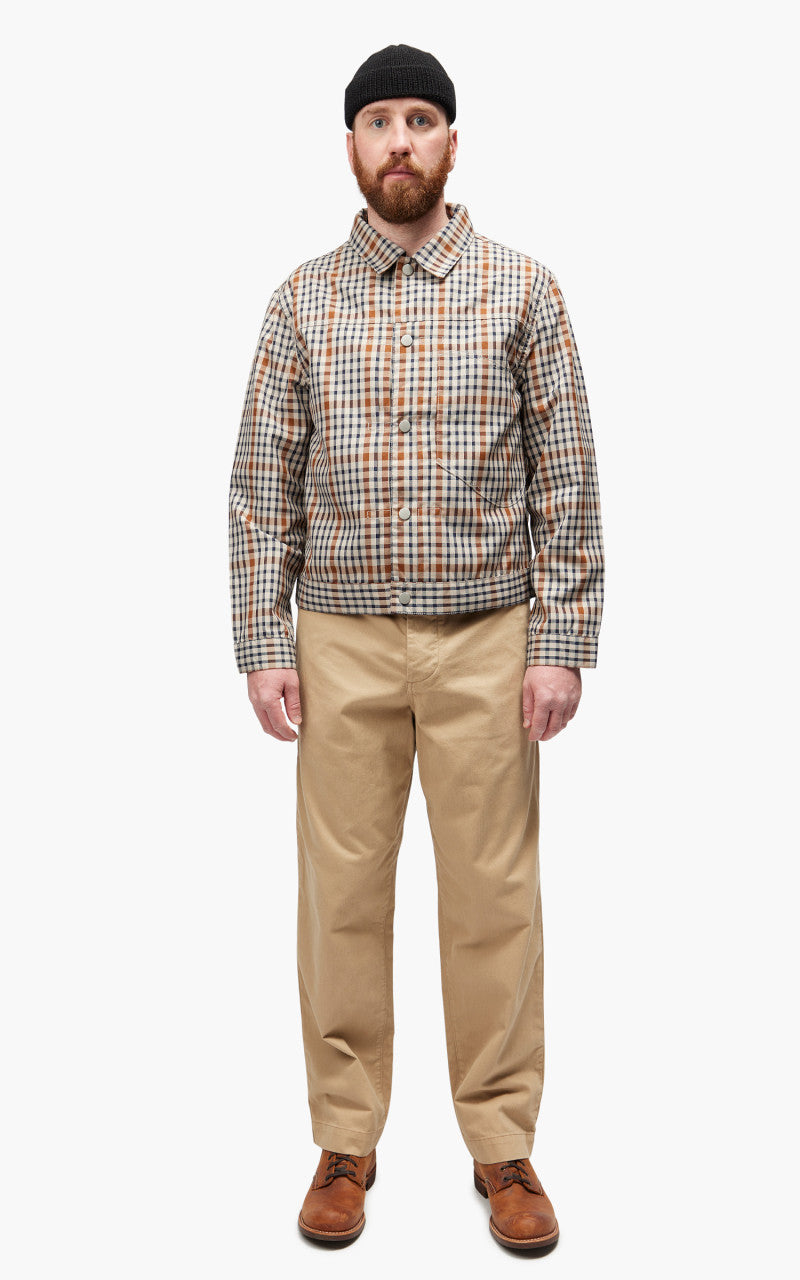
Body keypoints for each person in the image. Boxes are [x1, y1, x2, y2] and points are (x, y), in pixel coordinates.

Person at [228, 43, 604, 1252]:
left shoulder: (522, 290)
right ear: (350, 143)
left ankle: (502, 1146)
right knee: (340, 896)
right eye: (378, 120)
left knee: (492, 897)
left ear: (451, 140)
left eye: (421, 118)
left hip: (488, 639)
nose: (399, 140)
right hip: (338, 641)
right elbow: (261, 485)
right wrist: (262, 638)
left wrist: (559, 639)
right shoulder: (300, 301)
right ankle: (345, 1140)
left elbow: (565, 476)